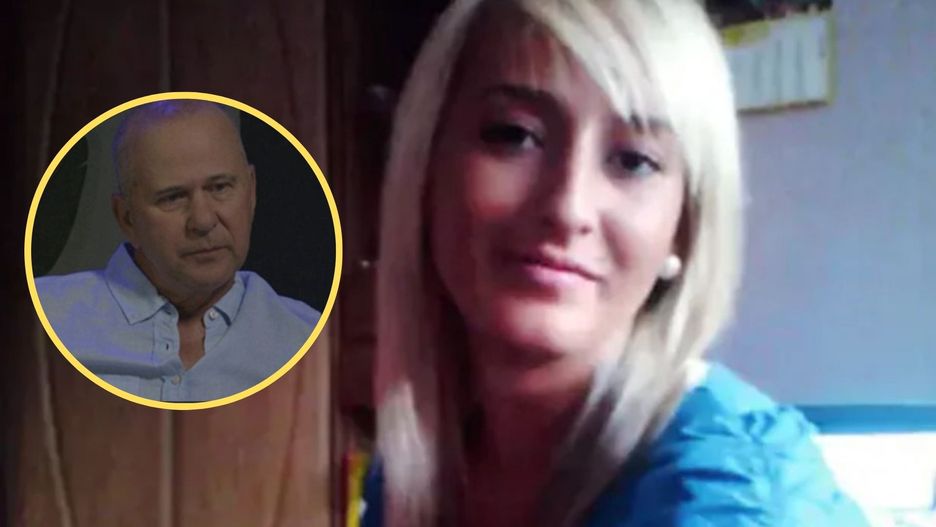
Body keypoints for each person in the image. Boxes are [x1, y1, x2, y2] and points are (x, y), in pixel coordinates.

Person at [361, 0, 870, 526]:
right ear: (426, 168)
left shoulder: (729, 500)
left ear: (684, 226)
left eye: (634, 161)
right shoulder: (418, 466)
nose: (568, 208)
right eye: (515, 135)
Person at [35, 100, 321, 403]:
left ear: (251, 192)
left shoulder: (309, 339)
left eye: (220, 188)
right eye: (173, 197)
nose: (203, 221)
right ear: (127, 218)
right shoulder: (42, 319)